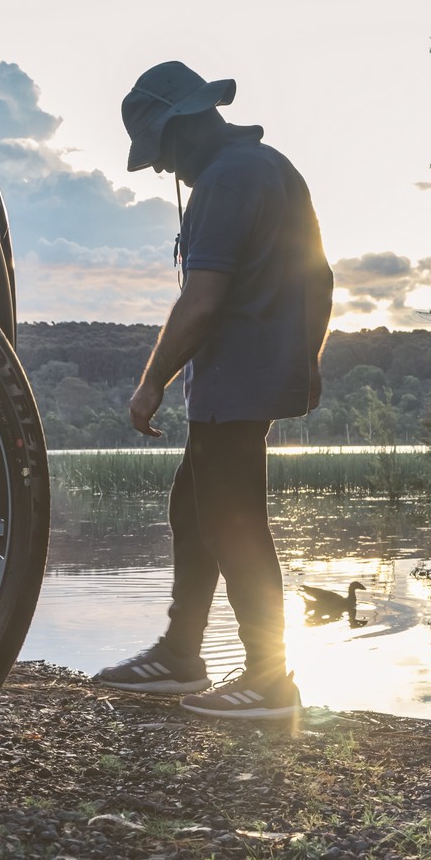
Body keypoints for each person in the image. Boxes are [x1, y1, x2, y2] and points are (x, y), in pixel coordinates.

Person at [93, 61, 334, 720]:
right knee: (193, 506)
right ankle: (181, 655)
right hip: (252, 374)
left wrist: (150, 384)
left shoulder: (228, 180)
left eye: (164, 153)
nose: (166, 170)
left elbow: (200, 304)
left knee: (233, 521)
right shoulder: (272, 167)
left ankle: (268, 678)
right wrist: (305, 358)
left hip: (236, 375)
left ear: (187, 128)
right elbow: (323, 275)